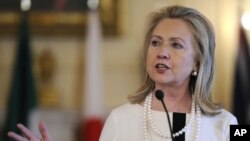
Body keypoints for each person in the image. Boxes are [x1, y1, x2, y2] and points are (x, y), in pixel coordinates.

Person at [8, 5, 237, 141]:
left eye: (176, 45)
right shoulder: (121, 119)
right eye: (155, 43)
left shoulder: (227, 124)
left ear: (198, 60)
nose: (162, 53)